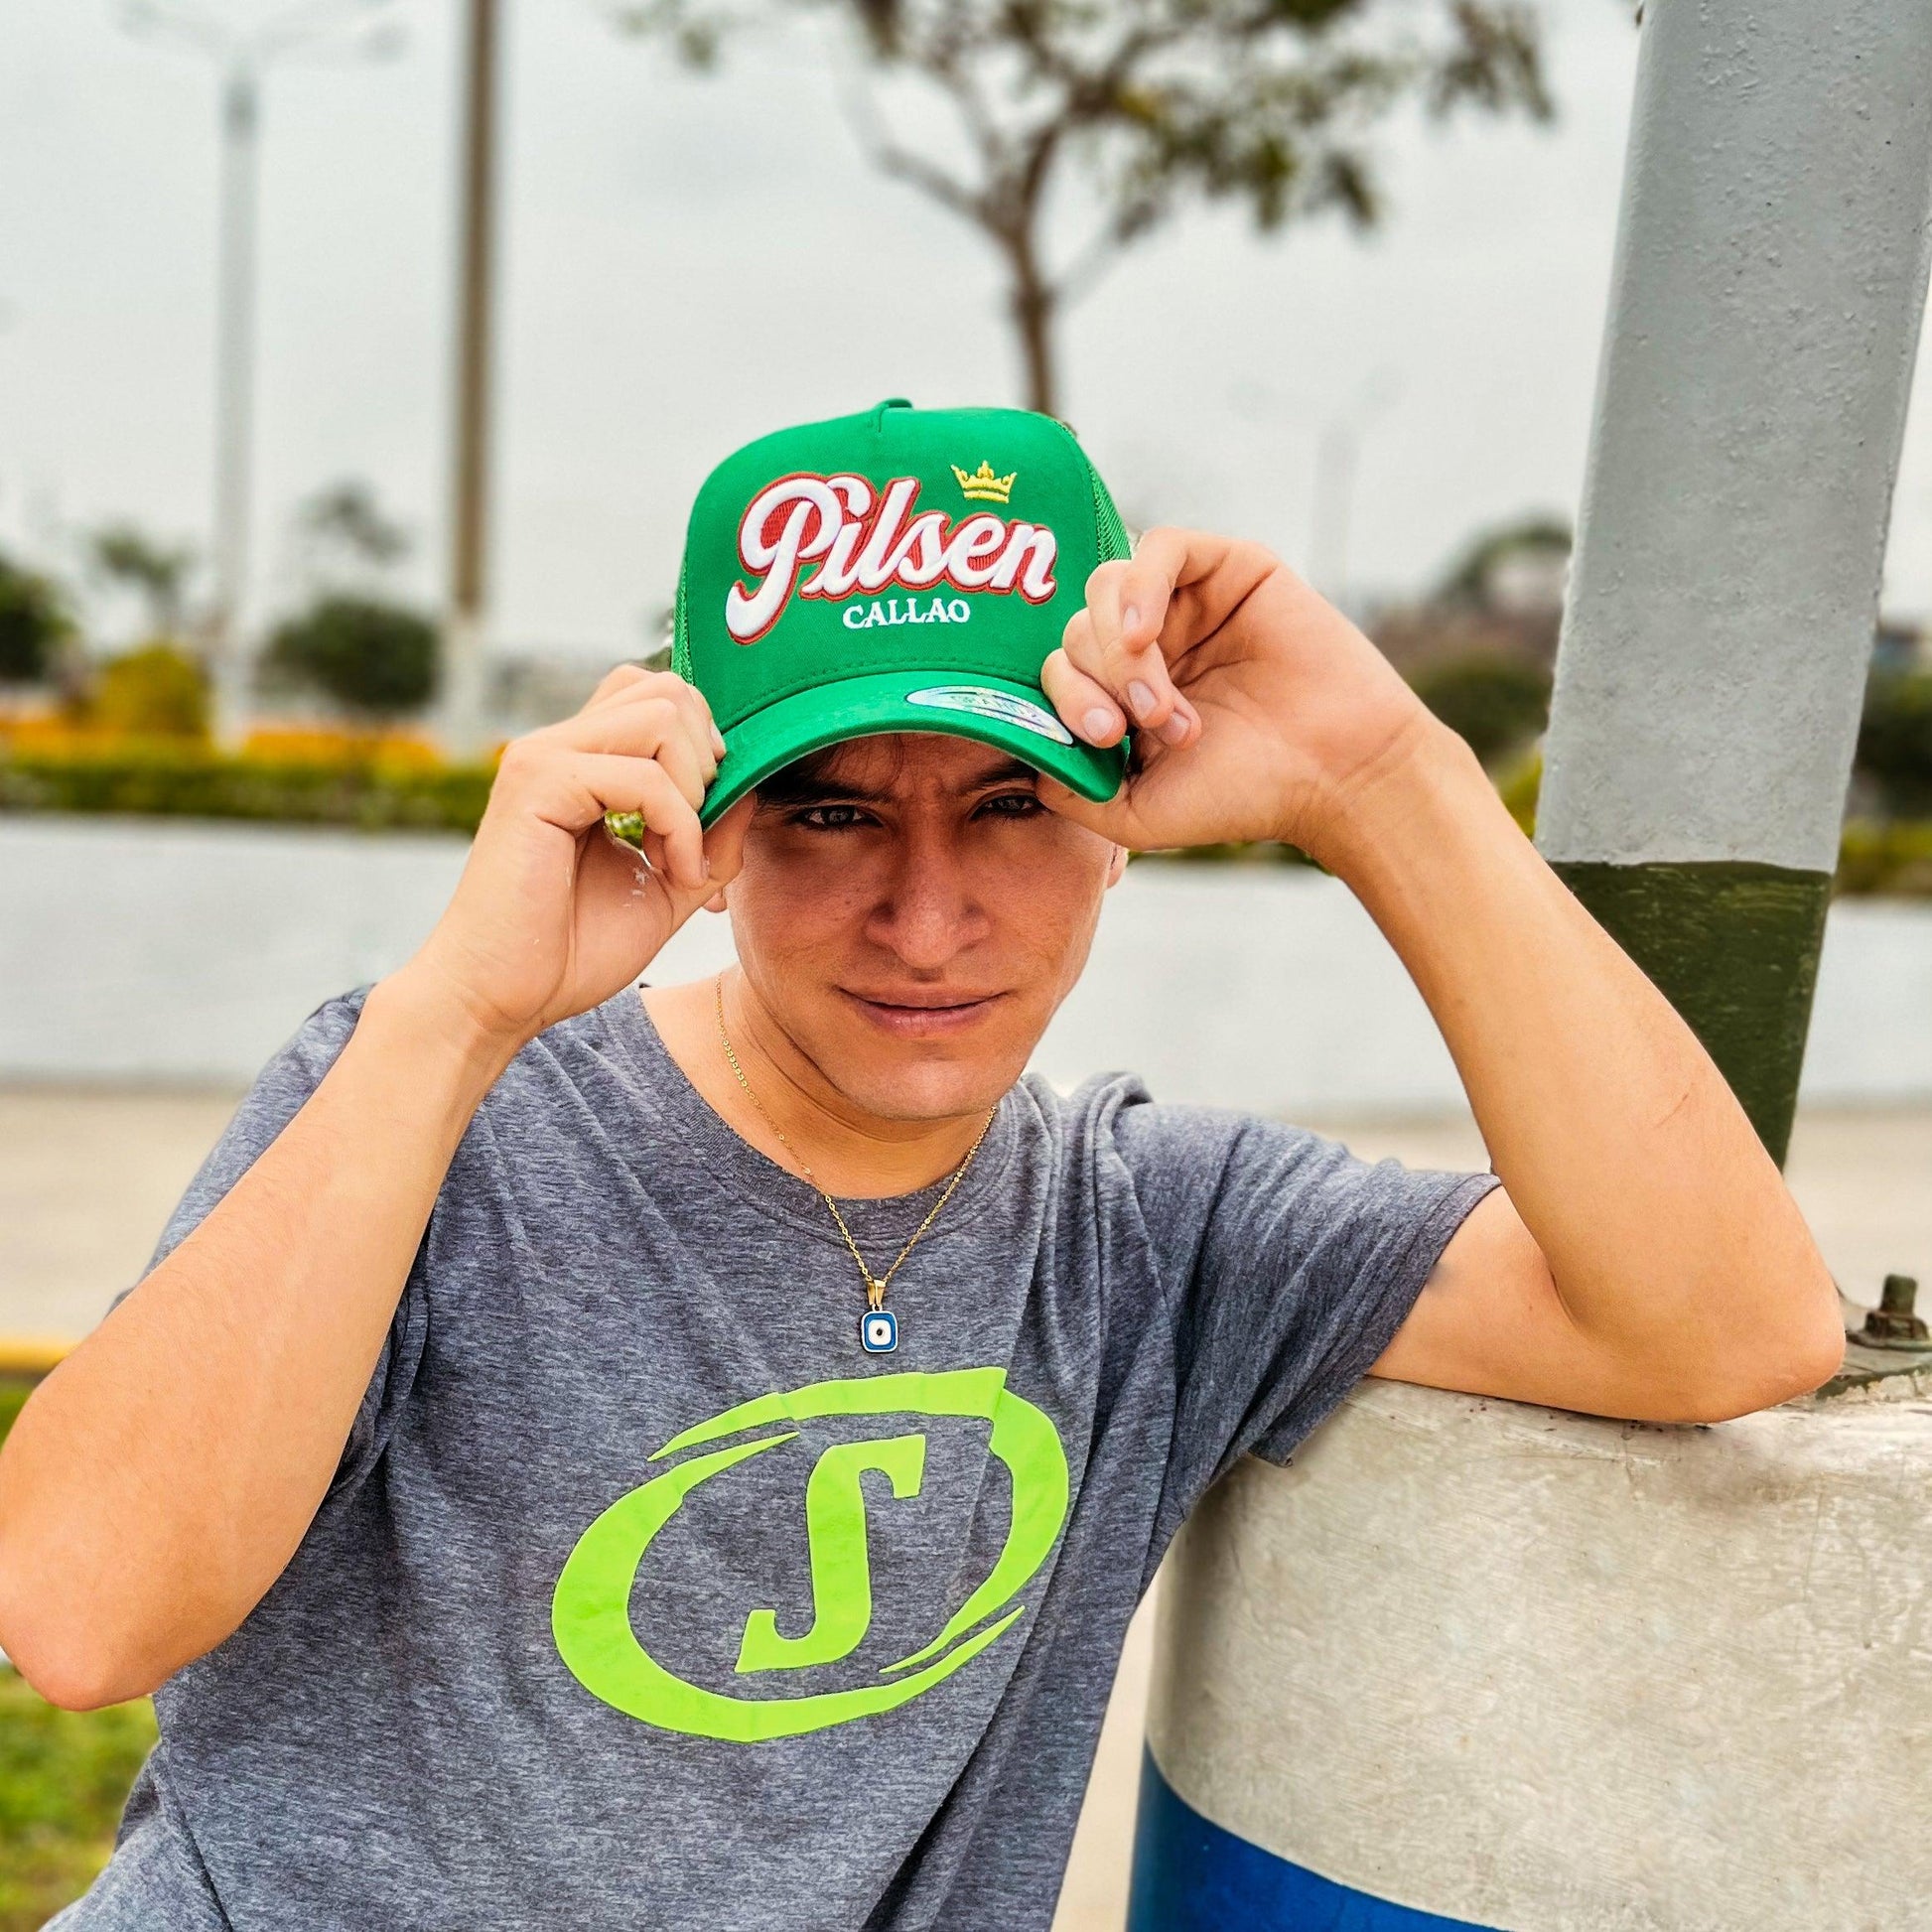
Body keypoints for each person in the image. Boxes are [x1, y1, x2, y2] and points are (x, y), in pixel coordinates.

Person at [0, 401, 1840, 1930]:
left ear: (1119, 827)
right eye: (831, 809)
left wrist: (1381, 779)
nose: (928, 910)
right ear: (706, 827)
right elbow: (78, 1612)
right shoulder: (433, 1107)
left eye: (1009, 803)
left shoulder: (1151, 1235)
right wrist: (455, 1011)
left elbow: (1724, 1323)